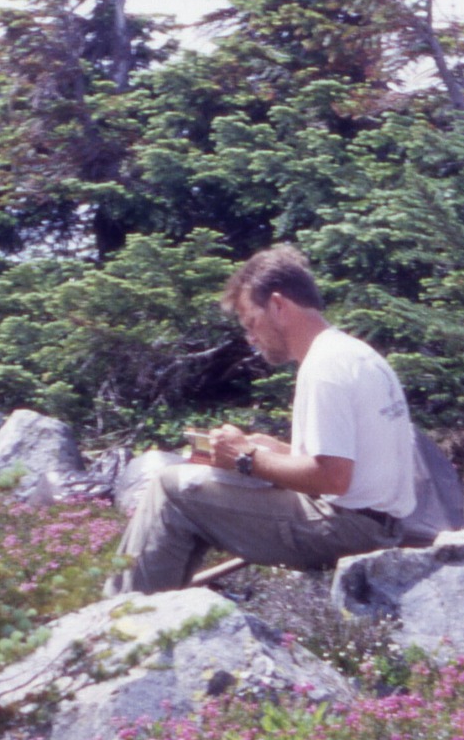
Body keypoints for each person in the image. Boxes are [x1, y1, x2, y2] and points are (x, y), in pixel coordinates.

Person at [105, 245, 416, 594]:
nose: (251, 339)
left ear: (279, 306)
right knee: (190, 489)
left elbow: (334, 478)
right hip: (381, 524)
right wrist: (277, 451)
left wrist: (245, 458)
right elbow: (352, 462)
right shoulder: (354, 354)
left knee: (171, 489)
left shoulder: (324, 368)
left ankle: (125, 619)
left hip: (346, 530)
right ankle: (165, 608)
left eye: (252, 322)